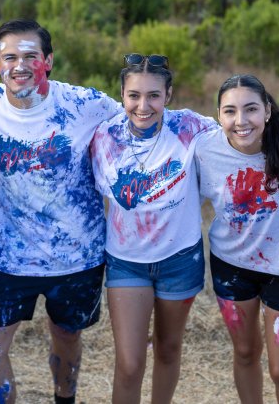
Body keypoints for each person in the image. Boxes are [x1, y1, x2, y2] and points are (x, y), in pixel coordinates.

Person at [0, 19, 121, 403]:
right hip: (9, 255)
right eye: (9, 57)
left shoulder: (86, 104)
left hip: (78, 255)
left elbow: (136, 127)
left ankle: (65, 398)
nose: (20, 65)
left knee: (66, 335)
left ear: (48, 60)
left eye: (31, 56)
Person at [89, 53, 215, 403]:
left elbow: (240, 138)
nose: (143, 106)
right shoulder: (104, 137)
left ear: (168, 95)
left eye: (153, 96)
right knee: (130, 364)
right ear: (122, 95)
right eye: (134, 95)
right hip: (126, 261)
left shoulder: (191, 127)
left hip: (180, 258)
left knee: (168, 349)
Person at [196, 74, 279, 404]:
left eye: (250, 109)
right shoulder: (205, 150)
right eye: (230, 111)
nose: (241, 121)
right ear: (218, 115)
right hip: (230, 266)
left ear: (267, 110)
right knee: (245, 352)